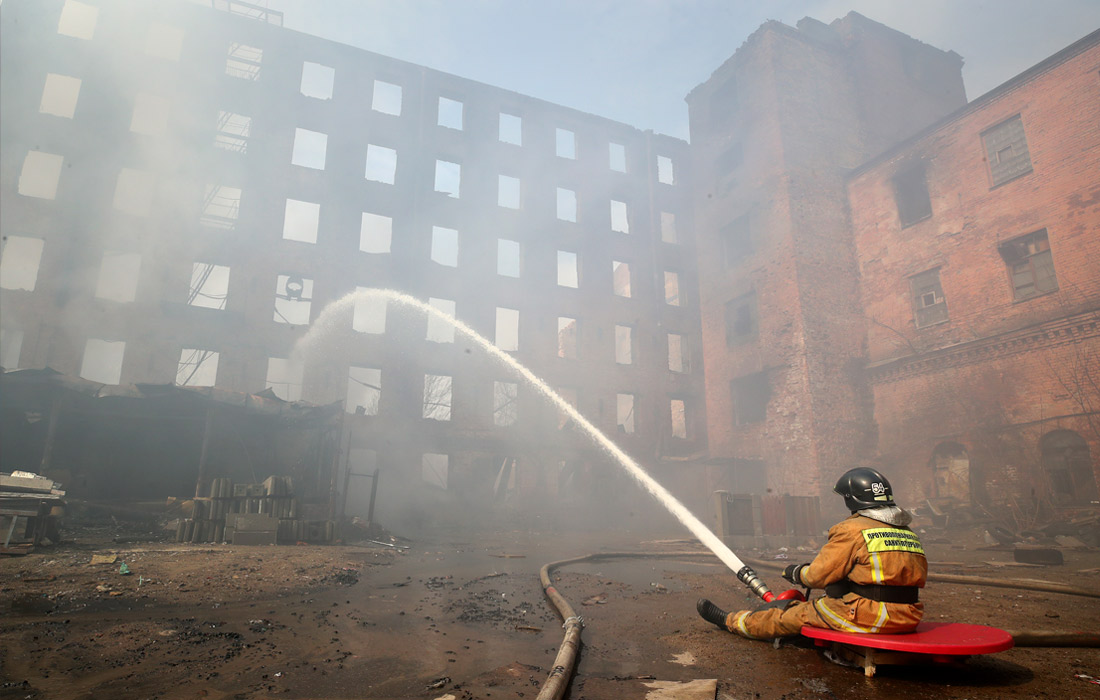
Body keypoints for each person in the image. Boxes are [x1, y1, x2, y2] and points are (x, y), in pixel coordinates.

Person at [696, 467, 927, 639]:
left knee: (789, 615)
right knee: (823, 605)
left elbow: (817, 577)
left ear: (851, 499)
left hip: (871, 616)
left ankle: (731, 621)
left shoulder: (852, 530)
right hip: (907, 617)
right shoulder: (907, 533)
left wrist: (797, 573)